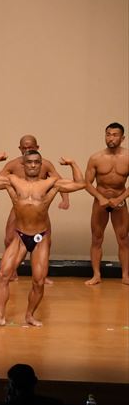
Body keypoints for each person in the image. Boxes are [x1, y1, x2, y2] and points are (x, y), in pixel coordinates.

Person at [0, 151, 85, 328]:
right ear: (23, 164)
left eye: (37, 162)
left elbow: (80, 184)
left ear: (41, 164)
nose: (33, 165)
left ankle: (29, 315)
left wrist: (73, 163)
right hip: (20, 236)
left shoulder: (51, 183)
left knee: (39, 281)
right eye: (29, 162)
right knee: (3, 275)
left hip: (40, 237)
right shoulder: (12, 180)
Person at [0, 135, 69, 283]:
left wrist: (65, 199)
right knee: (9, 238)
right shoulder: (13, 165)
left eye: (30, 147)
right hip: (19, 208)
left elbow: (59, 181)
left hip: (39, 210)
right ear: (19, 148)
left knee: (45, 241)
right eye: (24, 148)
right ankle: (12, 272)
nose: (27, 150)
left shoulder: (45, 164)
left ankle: (42, 275)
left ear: (37, 147)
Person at [84, 122, 128, 285]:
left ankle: (125, 276)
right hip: (100, 202)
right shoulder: (96, 158)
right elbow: (87, 183)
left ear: (122, 138)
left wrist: (120, 198)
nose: (111, 138)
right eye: (108, 134)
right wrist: (100, 197)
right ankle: (96, 275)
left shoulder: (127, 157)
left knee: (123, 239)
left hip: (119, 202)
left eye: (115, 135)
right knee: (96, 238)